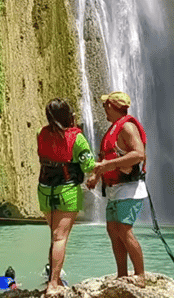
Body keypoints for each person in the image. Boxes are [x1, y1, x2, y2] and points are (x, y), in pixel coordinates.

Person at [86, 91, 147, 287]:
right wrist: (96, 175)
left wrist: (108, 166)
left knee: (124, 230)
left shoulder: (127, 127)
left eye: (106, 105)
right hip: (114, 189)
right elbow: (105, 158)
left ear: (112, 106)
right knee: (113, 230)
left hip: (129, 188)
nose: (104, 109)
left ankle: (140, 275)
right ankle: (122, 274)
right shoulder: (112, 129)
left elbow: (139, 154)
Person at [37, 98, 96, 295]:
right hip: (67, 191)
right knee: (60, 238)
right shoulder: (76, 138)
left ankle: (53, 280)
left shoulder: (43, 134)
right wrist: (101, 167)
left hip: (45, 190)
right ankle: (54, 283)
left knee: (54, 236)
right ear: (68, 116)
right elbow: (88, 165)